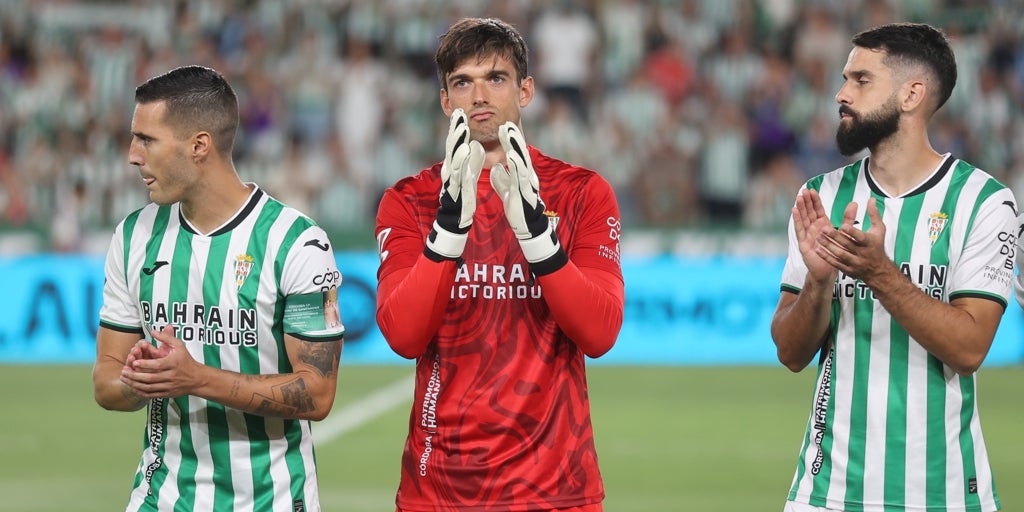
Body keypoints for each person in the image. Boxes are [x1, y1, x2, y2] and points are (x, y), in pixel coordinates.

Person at [374, 17, 624, 512]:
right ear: (446, 100)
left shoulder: (582, 193)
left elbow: (600, 335)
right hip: (439, 490)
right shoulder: (409, 201)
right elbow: (403, 337)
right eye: (462, 82)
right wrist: (446, 233)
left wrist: (539, 242)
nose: (479, 96)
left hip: (556, 489)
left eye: (496, 78)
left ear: (526, 90)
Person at [771, 23, 1016, 512]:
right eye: (845, 78)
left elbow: (969, 348)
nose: (841, 93)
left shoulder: (984, 202)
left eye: (862, 80)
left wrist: (879, 274)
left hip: (941, 494)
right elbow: (791, 352)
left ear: (912, 94)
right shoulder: (823, 196)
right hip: (826, 493)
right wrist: (819, 282)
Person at [91, 65, 345, 512]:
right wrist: (145, 381)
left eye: (146, 139)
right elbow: (106, 384)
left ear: (199, 145)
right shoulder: (134, 236)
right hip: (160, 497)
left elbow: (318, 392)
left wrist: (196, 379)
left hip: (273, 500)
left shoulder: (296, 243)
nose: (132, 155)